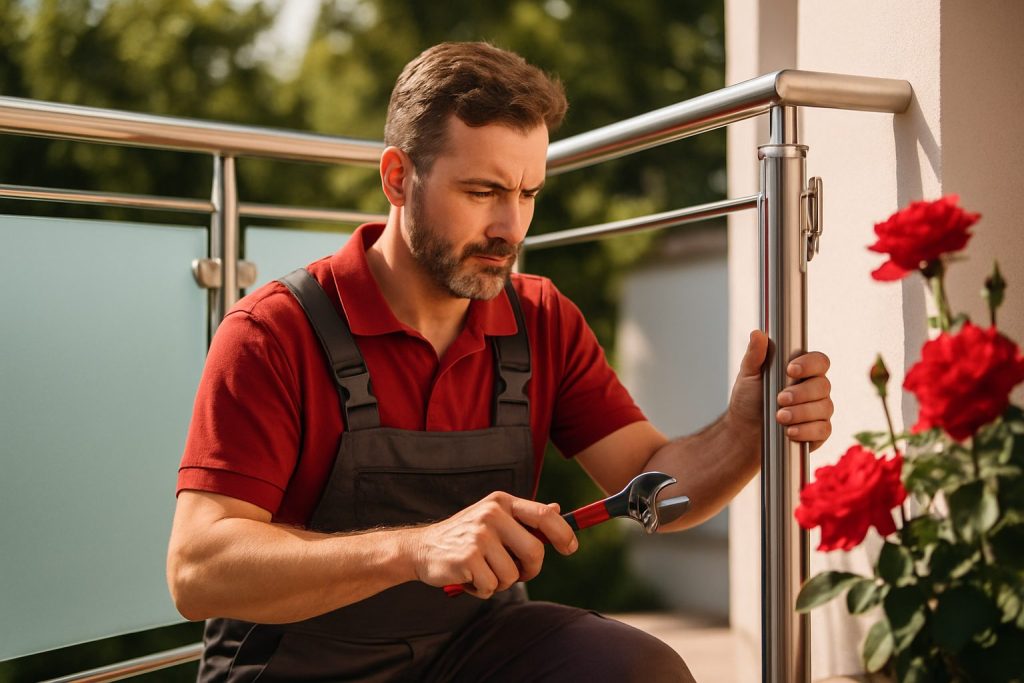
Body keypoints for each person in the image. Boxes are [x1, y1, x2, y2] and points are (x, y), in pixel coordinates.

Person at [167, 42, 833, 682]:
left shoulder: (541, 319)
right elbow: (197, 569)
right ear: (398, 178)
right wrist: (417, 547)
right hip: (297, 667)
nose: (510, 227)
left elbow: (650, 482)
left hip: (476, 651)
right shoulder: (273, 332)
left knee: (640, 670)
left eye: (528, 193)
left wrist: (748, 429)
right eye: (483, 191)